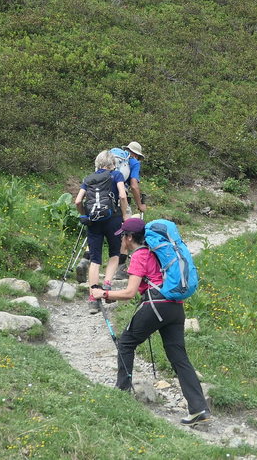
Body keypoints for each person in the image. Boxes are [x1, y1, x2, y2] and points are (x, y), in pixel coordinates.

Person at [94, 217, 210, 426]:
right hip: (175, 307)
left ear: (130, 238)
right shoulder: (156, 252)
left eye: (122, 236)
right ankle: (198, 408)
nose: (121, 240)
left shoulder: (140, 255)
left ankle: (121, 394)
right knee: (179, 358)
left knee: (126, 343)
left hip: (156, 306)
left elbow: (129, 293)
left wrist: (103, 293)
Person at [75, 150, 129, 314]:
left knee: (95, 258)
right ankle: (106, 286)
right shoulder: (116, 175)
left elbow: (78, 201)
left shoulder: (88, 179)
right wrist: (125, 216)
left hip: (93, 222)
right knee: (114, 253)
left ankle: (93, 299)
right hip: (113, 220)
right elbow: (122, 196)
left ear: (97, 164)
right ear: (112, 164)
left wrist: (84, 214)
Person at [125, 141, 147, 215]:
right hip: (120, 195)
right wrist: (140, 205)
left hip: (102, 192)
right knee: (128, 220)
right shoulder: (135, 163)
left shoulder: (114, 159)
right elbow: (134, 186)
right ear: (135, 154)